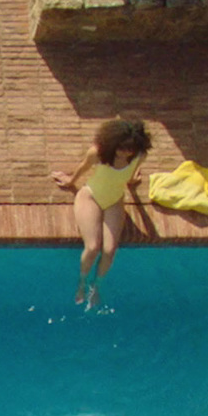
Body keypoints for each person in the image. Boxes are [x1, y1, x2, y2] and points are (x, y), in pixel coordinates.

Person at [50, 118, 153, 310]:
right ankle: (81, 283)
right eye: (122, 148)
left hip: (114, 200)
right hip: (90, 197)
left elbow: (130, 175)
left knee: (110, 250)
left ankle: (96, 286)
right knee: (93, 247)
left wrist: (131, 181)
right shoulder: (98, 153)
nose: (126, 153)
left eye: (130, 148)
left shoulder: (139, 155)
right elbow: (83, 167)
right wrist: (70, 181)